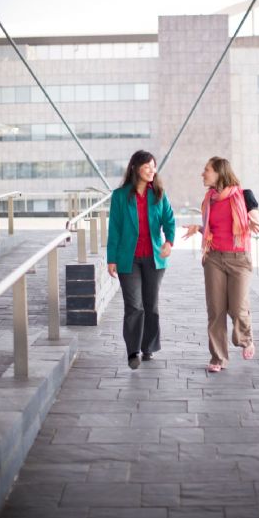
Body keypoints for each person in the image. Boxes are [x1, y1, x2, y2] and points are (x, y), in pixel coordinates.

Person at [183, 156, 259, 372]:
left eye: (206, 170)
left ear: (219, 172)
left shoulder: (244, 195)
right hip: (214, 258)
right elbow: (213, 227)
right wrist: (198, 229)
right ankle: (218, 358)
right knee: (216, 310)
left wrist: (255, 220)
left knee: (237, 308)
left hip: (239, 259)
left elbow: (254, 216)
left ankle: (245, 339)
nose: (203, 173)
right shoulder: (210, 199)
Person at [107, 150, 175, 370]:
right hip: (129, 259)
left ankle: (149, 347)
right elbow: (114, 229)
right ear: (136, 168)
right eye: (147, 166)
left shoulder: (159, 194)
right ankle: (133, 351)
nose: (152, 170)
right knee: (134, 305)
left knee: (151, 305)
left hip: (154, 259)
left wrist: (169, 242)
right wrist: (111, 258)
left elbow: (169, 221)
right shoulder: (119, 196)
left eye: (154, 166)